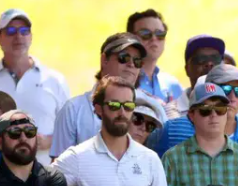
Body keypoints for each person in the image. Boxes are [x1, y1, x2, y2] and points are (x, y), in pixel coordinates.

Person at [50, 32, 148, 160]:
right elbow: (59, 170)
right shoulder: (73, 110)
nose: (131, 64)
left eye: (137, 61)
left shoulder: (150, 109)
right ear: (104, 60)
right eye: (124, 57)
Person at [0, 9, 70, 165]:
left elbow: (70, 129)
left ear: (31, 37)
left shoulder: (54, 80)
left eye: (24, 31)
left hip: (43, 174)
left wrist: (49, 141)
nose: (18, 36)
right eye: (11, 31)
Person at [127, 9, 184, 119]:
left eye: (160, 34)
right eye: (145, 34)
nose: (154, 39)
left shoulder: (173, 85)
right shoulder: (123, 80)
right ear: (130, 39)